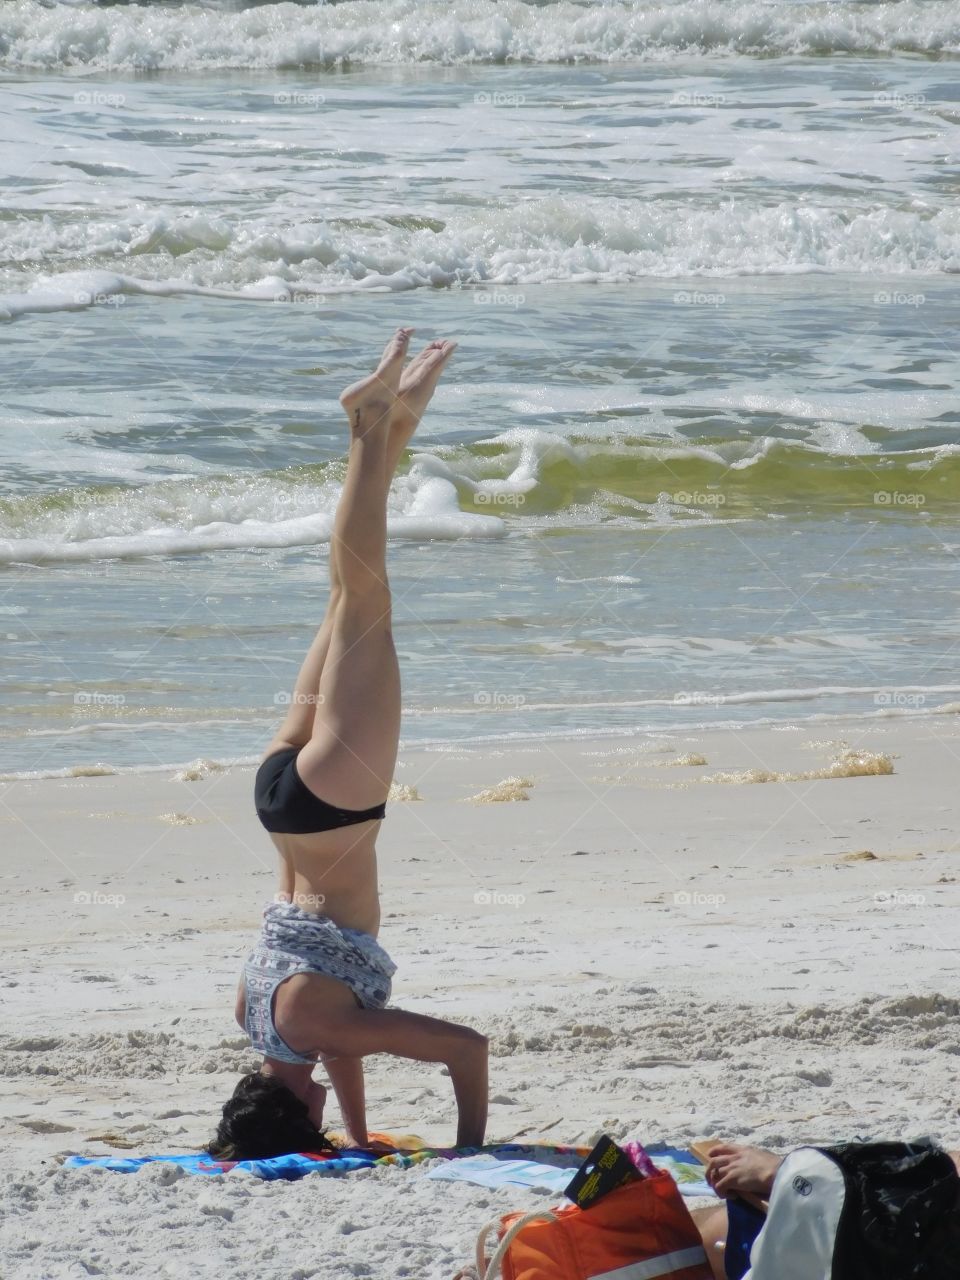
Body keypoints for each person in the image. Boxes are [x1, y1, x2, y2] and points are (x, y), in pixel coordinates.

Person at [209, 329, 488, 1160]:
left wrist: (470, 1147)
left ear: (300, 1117)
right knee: (342, 598)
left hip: (336, 802)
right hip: (277, 801)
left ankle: (368, 426)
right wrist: (359, 1137)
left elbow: (465, 1051)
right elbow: (339, 1047)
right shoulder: (263, 1020)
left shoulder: (322, 1025)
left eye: (324, 1126)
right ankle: (391, 431)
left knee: (366, 596)